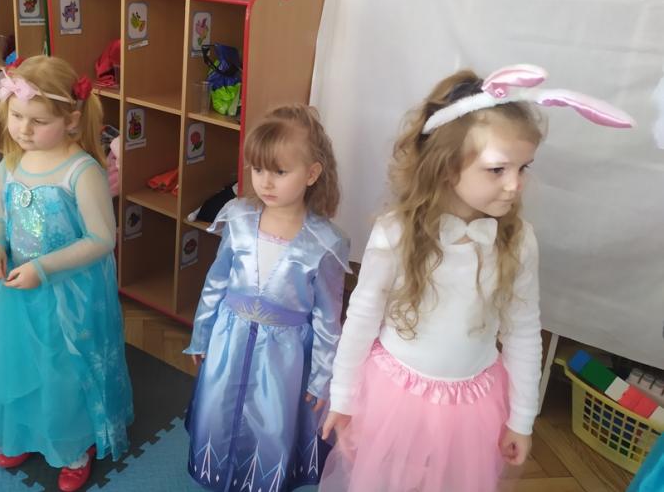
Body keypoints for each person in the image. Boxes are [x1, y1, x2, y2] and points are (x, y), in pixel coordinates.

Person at [319, 65, 634, 492]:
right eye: (498, 169)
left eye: (523, 168)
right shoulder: (397, 233)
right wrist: (343, 397)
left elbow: (523, 330)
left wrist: (521, 418)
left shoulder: (518, 242)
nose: (515, 185)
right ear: (447, 168)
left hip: (472, 405)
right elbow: (361, 315)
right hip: (395, 397)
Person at [0, 56, 133, 492]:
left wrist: (42, 268)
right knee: (23, 361)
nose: (23, 129)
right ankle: (27, 432)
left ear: (71, 120)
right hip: (20, 289)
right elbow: (0, 215)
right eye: (16, 116)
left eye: (38, 121)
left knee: (64, 369)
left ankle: (74, 443)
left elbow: (102, 238)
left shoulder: (82, 172)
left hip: (71, 295)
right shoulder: (10, 164)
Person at [185, 104, 350, 492]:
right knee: (219, 412)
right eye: (258, 170)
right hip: (229, 343)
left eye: (279, 172)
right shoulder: (238, 218)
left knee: (270, 425)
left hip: (284, 360)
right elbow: (215, 283)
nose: (266, 183)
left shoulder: (326, 242)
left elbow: (329, 319)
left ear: (312, 174)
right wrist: (201, 335)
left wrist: (321, 378)